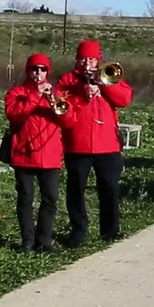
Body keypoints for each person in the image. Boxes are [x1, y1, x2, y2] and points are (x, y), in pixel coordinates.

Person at [57, 39, 133, 245]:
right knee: (76, 191)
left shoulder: (109, 76)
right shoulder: (67, 80)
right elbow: (60, 105)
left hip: (107, 146)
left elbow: (124, 100)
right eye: (83, 58)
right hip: (77, 145)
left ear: (98, 60)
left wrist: (103, 86)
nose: (87, 63)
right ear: (77, 60)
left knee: (109, 189)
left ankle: (110, 230)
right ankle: (78, 231)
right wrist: (81, 95)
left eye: (91, 59)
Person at [4, 53, 70, 253]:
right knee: (25, 199)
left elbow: (68, 122)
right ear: (28, 71)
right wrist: (35, 95)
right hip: (25, 153)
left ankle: (44, 240)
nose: (38, 73)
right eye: (34, 69)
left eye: (42, 69)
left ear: (47, 72)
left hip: (50, 156)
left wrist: (56, 104)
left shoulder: (57, 94)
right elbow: (14, 115)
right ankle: (27, 241)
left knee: (50, 199)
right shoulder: (16, 93)